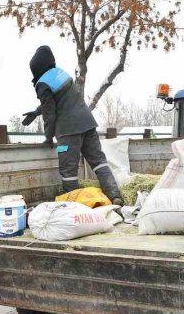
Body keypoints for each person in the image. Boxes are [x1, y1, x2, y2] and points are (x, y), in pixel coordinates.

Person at [22, 45, 122, 205]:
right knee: (99, 162)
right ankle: (114, 196)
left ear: (36, 68)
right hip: (88, 124)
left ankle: (74, 207)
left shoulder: (42, 83)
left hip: (68, 132)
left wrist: (48, 137)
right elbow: (61, 101)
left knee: (68, 171)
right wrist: (36, 112)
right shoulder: (61, 74)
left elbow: (50, 113)